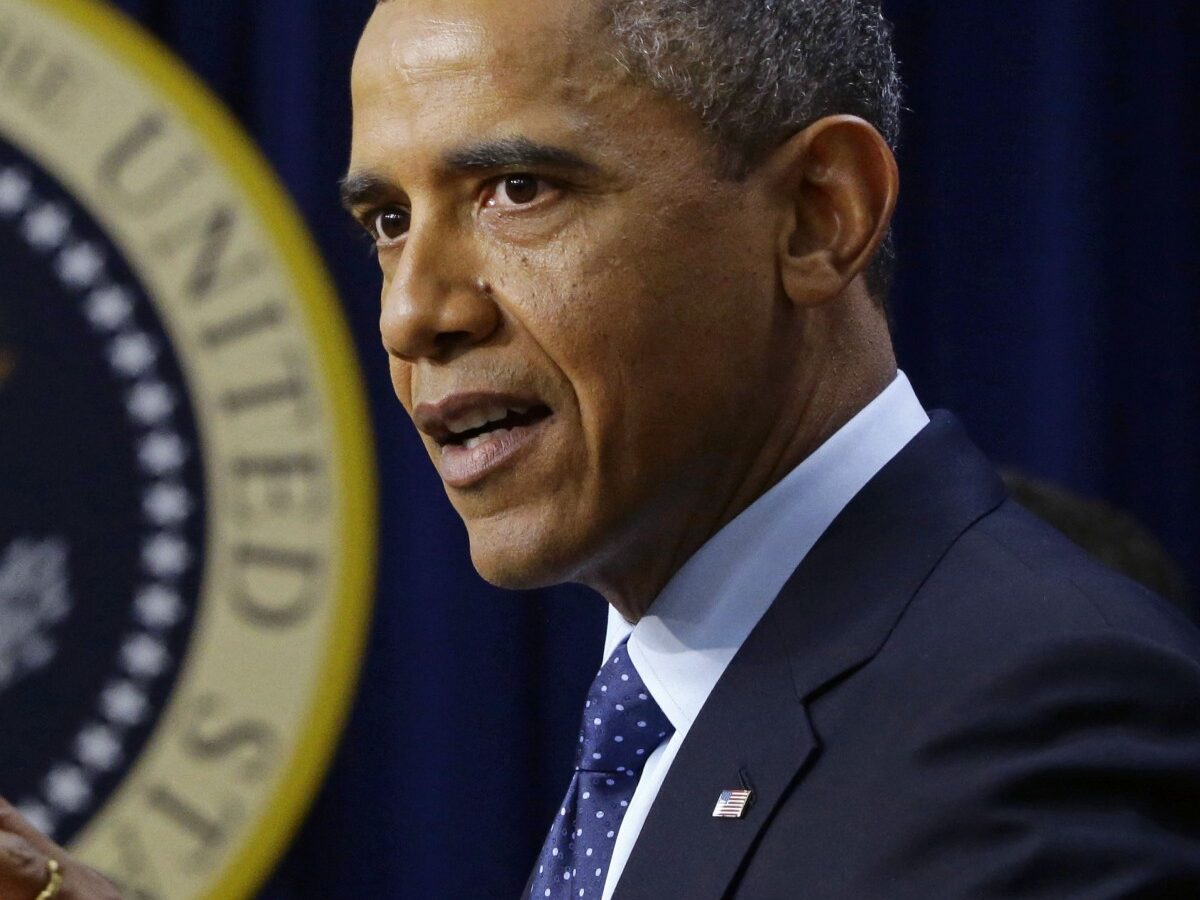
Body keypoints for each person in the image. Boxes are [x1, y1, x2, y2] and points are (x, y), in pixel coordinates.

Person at [3, 0, 1200, 897]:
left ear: (818, 215)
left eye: (517, 189)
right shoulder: (675, 693)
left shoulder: (1042, 712)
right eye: (387, 221)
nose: (414, 311)